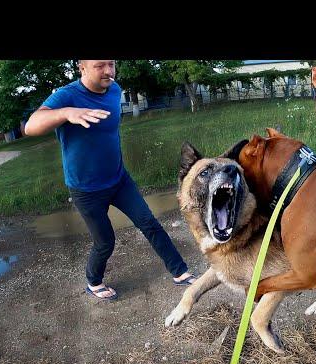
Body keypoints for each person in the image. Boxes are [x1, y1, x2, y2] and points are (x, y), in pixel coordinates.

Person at [24, 59, 195, 300]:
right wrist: (66, 113)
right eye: (100, 65)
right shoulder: (66, 95)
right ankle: (93, 282)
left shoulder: (114, 89)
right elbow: (31, 126)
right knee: (105, 242)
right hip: (86, 189)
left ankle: (180, 271)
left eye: (112, 64)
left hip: (118, 179)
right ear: (81, 67)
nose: (108, 71)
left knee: (149, 222)